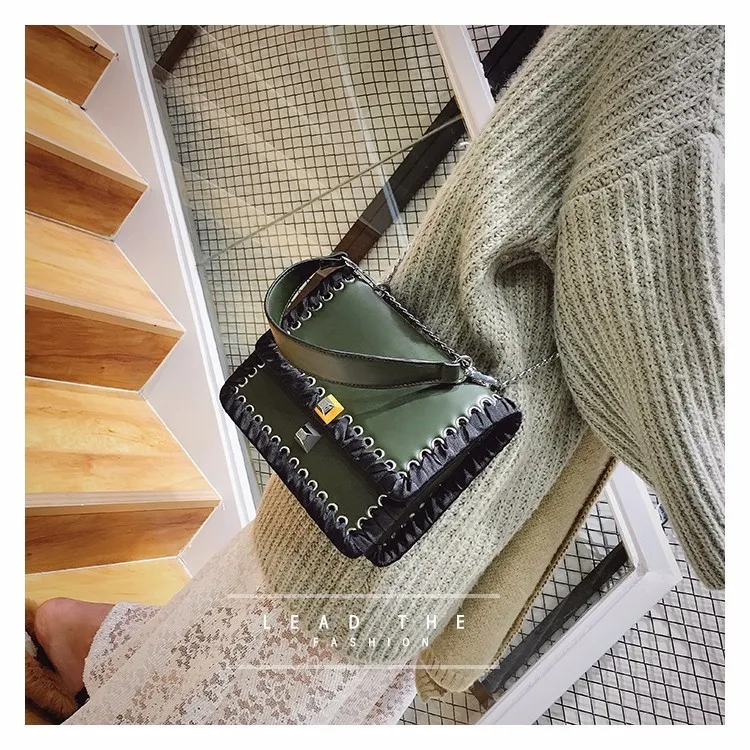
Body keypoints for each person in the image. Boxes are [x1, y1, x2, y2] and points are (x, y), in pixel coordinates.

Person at [34, 25, 724, 724]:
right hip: (423, 486)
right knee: (261, 672)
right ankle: (98, 653)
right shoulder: (704, 53)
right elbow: (648, 311)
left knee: (249, 644)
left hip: (433, 477)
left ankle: (96, 645)